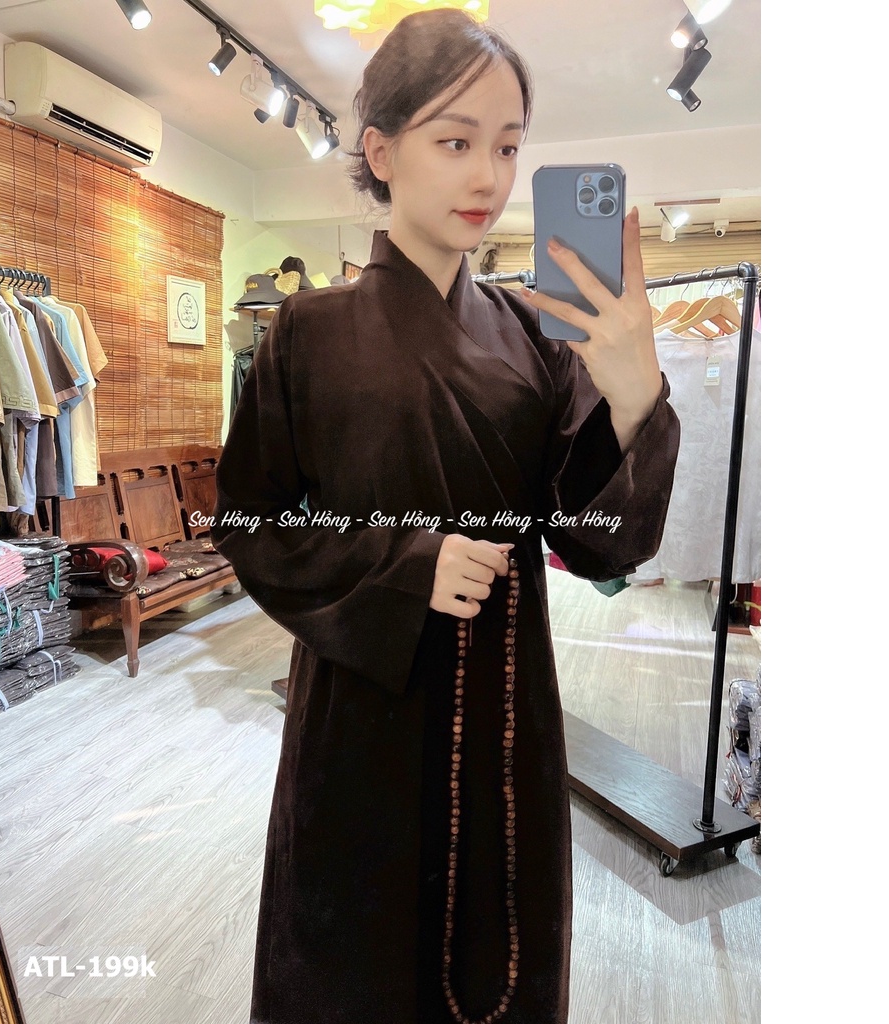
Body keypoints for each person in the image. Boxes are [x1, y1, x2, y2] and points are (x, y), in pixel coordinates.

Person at [211, 9, 679, 1024]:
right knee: (352, 956)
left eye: (508, 147)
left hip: (506, 701)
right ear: (380, 151)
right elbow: (247, 521)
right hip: (360, 705)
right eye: (455, 142)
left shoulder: (536, 337)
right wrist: (405, 562)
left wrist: (633, 398)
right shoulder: (306, 331)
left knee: (497, 957)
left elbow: (599, 541)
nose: (489, 178)